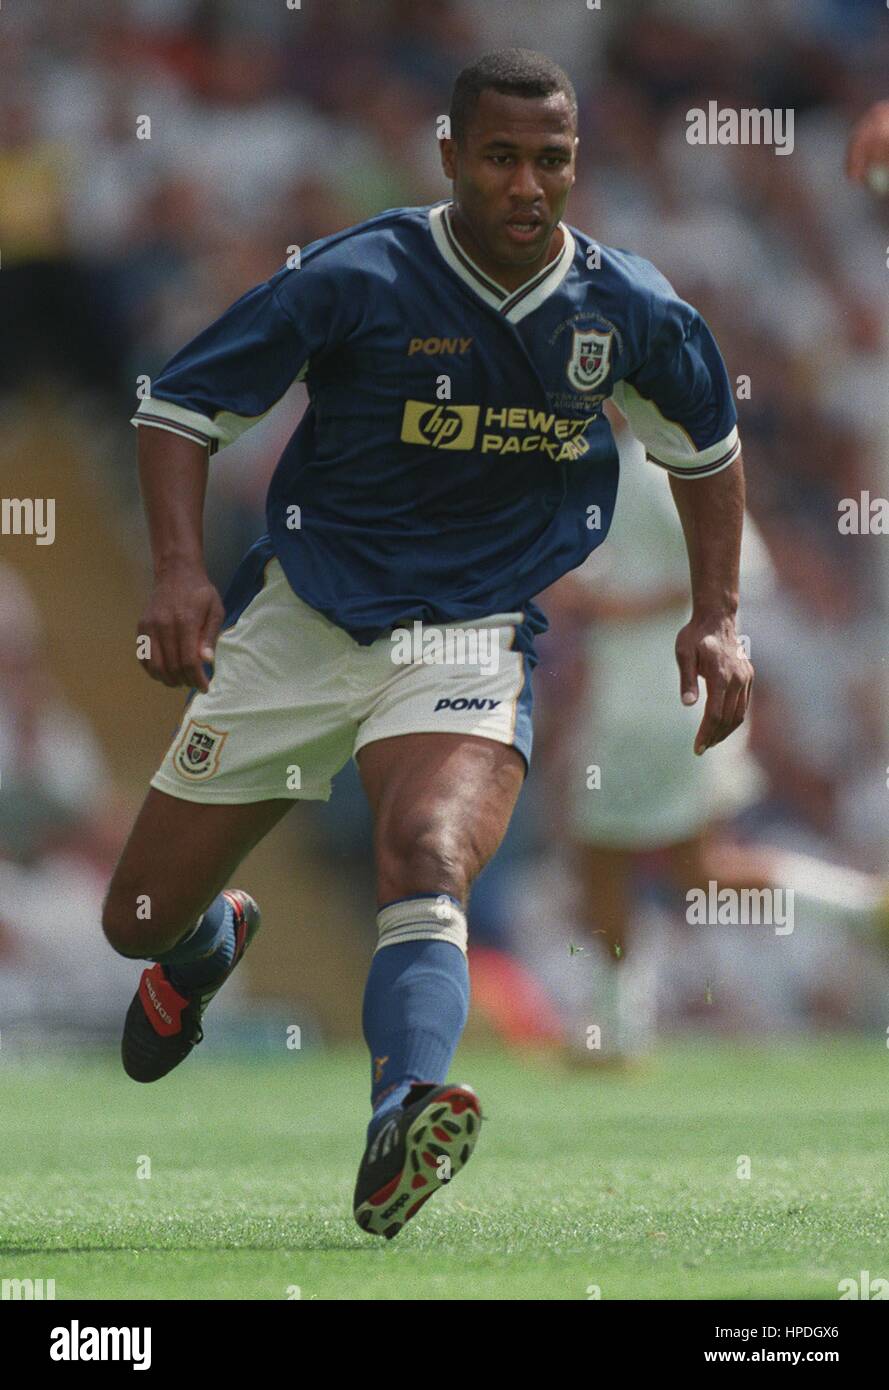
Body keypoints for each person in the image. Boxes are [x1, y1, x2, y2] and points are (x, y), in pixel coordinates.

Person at [102, 49, 752, 1240]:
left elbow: (706, 450)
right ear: (449, 156)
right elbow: (177, 408)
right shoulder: (359, 274)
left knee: (429, 849)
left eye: (549, 159)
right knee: (135, 914)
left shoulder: (630, 310)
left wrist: (715, 615)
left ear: (574, 166)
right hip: (305, 620)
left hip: (471, 631)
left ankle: (402, 1110)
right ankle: (199, 945)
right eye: (499, 157)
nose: (525, 183)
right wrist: (183, 572)